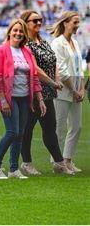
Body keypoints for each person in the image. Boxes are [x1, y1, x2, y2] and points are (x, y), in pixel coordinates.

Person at [0, 19, 46, 179]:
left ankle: (14, 169)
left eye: (21, 31)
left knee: (20, 134)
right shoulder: (1, 50)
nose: (18, 33)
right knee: (12, 132)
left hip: (25, 99)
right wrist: (3, 100)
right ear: (9, 31)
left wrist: (40, 99)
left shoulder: (26, 51)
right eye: (15, 30)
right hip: (9, 98)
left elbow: (33, 76)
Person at [19, 11, 73, 175]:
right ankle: (27, 163)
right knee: (28, 129)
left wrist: (55, 79)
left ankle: (58, 163)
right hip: (33, 91)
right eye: (34, 20)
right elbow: (34, 68)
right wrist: (52, 82)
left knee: (50, 127)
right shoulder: (26, 45)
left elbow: (53, 61)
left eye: (40, 20)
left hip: (48, 92)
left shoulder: (43, 42)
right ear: (25, 23)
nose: (38, 23)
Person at [50, 11, 85, 173]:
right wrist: (74, 90)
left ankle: (67, 159)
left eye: (78, 22)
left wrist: (81, 88)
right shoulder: (57, 43)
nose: (77, 25)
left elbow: (80, 67)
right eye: (74, 22)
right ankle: (57, 162)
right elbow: (62, 71)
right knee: (59, 127)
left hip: (76, 90)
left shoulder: (75, 43)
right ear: (65, 23)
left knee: (76, 126)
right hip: (63, 91)